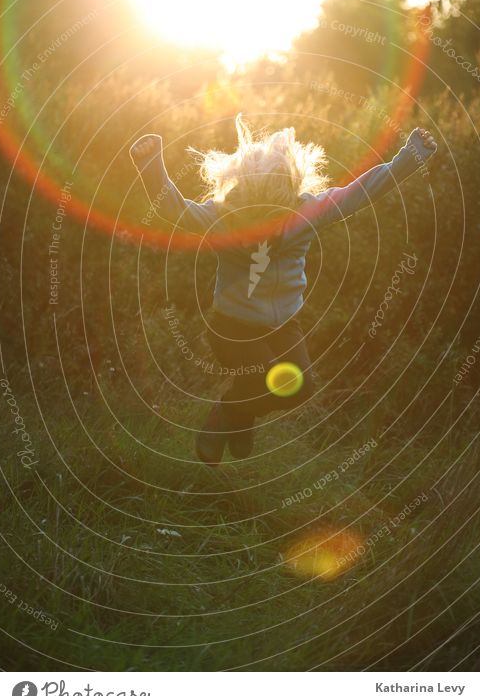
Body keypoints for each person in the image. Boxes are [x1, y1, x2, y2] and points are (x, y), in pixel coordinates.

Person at [130, 116, 437, 465]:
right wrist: (150, 162)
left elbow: (360, 194)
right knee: (260, 380)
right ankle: (230, 415)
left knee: (300, 388)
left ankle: (236, 413)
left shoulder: (307, 212)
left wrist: (409, 157)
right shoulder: (222, 219)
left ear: (289, 191)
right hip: (232, 327)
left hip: (284, 324)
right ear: (243, 193)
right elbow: (174, 208)